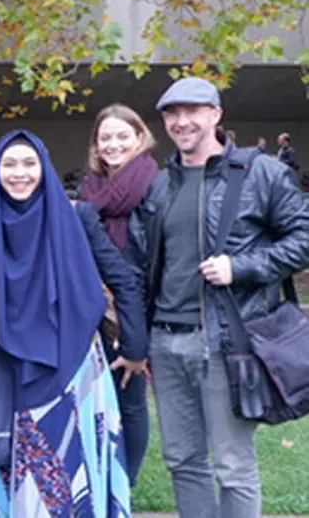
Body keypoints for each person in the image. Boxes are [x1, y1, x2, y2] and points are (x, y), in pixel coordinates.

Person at [129, 77, 309, 518]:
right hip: (165, 342)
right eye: (172, 114)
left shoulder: (260, 173)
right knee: (182, 460)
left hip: (224, 341)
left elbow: (304, 237)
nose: (182, 122)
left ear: (216, 114)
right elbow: (144, 265)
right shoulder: (161, 185)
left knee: (232, 466)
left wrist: (241, 266)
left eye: (193, 111)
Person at [0, 131, 130, 518]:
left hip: (72, 362)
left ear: (45, 168)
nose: (20, 173)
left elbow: (109, 281)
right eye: (9, 164)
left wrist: (135, 345)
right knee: (14, 468)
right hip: (7, 366)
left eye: (30, 163)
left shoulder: (72, 219)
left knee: (69, 469)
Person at [78, 103, 160, 486]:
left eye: (122, 136)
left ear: (140, 137)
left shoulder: (153, 184)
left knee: (130, 398)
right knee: (96, 398)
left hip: (135, 306)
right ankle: (99, 481)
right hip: (93, 305)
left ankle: (126, 483)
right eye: (105, 137)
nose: (113, 144)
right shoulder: (89, 189)